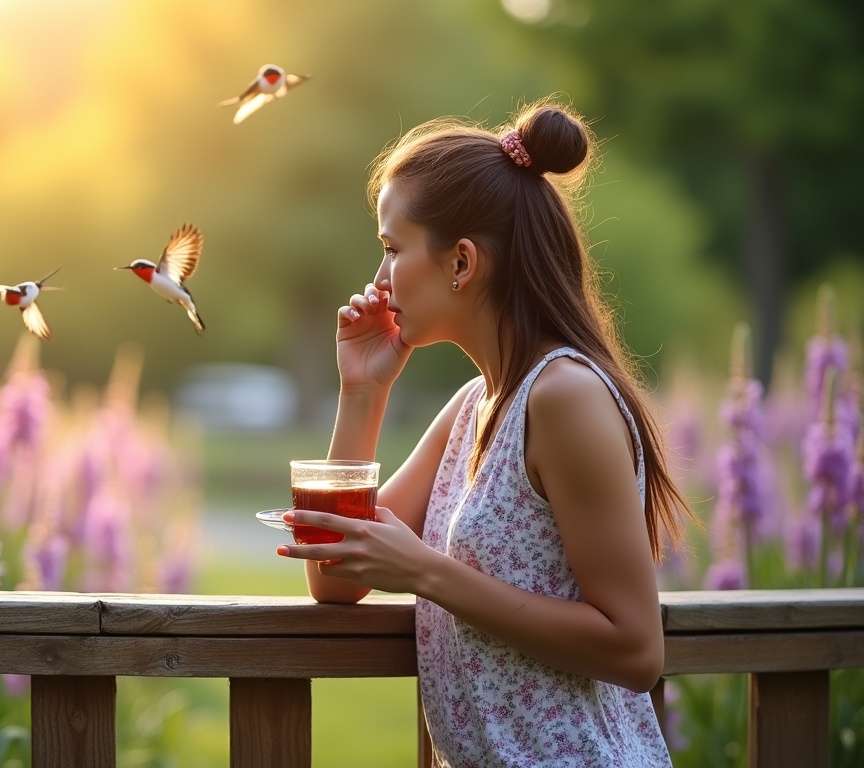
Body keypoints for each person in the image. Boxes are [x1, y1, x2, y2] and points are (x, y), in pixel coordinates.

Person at [276, 99, 689, 767]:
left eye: (391, 249)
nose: (378, 279)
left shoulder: (565, 398)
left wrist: (424, 571)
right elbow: (336, 577)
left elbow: (637, 650)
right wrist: (362, 392)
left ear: (461, 263)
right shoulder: (472, 408)